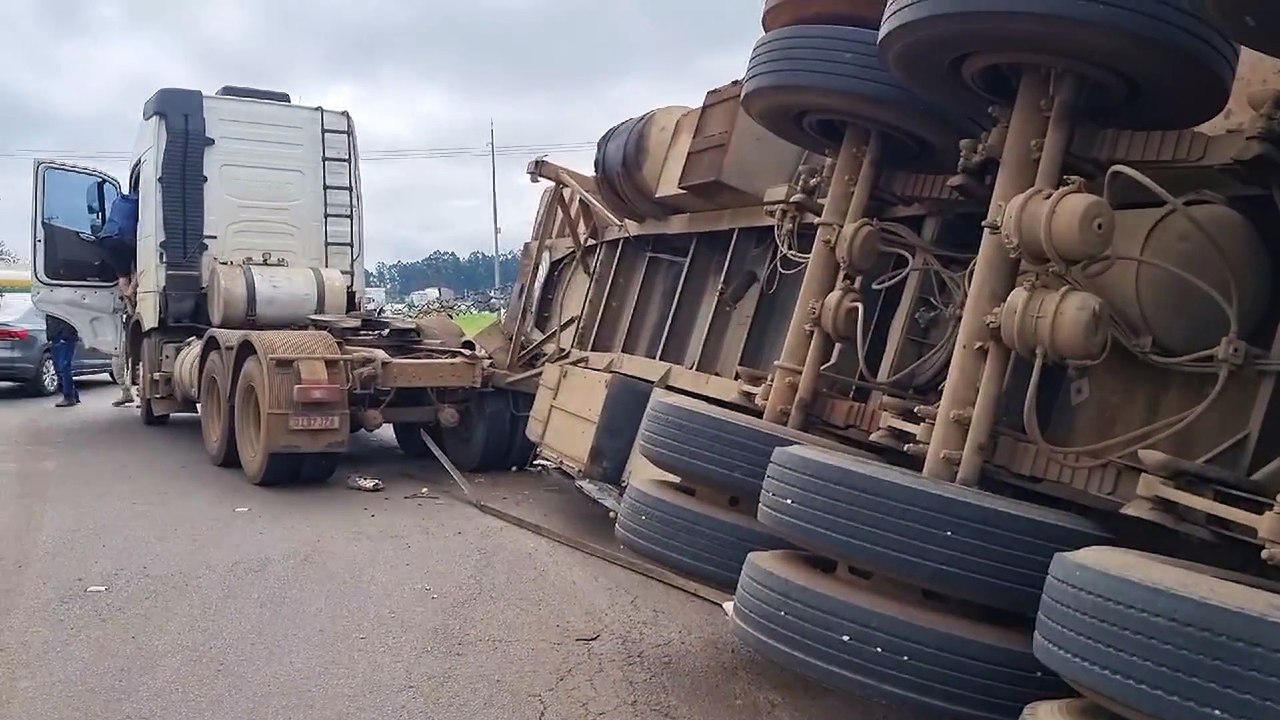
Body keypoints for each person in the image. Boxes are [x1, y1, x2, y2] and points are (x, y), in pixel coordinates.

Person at [98, 192, 139, 408]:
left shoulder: (117, 212)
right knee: (127, 353)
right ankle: (129, 391)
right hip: (125, 241)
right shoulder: (134, 208)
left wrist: (129, 299)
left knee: (123, 353)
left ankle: (127, 391)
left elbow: (123, 279)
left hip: (113, 241)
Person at [46, 314, 79, 407]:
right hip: (57, 337)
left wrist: (65, 336)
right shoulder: (49, 305)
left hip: (64, 337)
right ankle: (72, 395)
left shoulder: (59, 304)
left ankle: (69, 396)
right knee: (60, 367)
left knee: (64, 366)